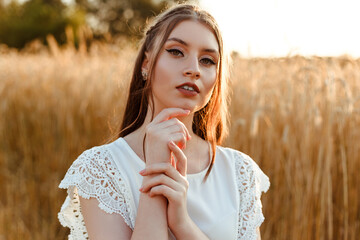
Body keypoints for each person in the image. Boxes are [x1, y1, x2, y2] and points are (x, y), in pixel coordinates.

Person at [58, 3, 270, 240]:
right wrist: (155, 177)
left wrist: (182, 223)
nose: (194, 69)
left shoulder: (240, 172)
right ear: (146, 64)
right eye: (176, 52)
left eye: (208, 60)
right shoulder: (99, 169)